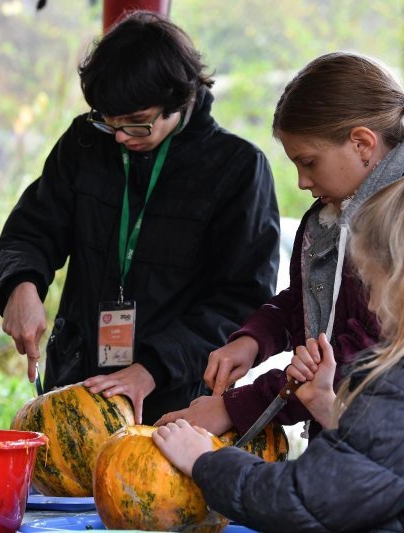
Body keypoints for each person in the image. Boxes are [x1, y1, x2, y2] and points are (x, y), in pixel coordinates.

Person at [0, 10, 280, 424]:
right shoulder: (86, 143)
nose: (122, 137)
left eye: (136, 125)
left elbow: (241, 300)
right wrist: (21, 284)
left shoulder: (238, 169)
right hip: (78, 383)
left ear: (179, 100)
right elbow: (31, 229)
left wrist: (152, 370)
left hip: (178, 400)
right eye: (109, 124)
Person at [156, 52, 404, 438]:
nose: (302, 182)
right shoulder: (334, 211)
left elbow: (362, 355)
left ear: (361, 144)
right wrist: (254, 339)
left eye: (309, 162)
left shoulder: (394, 226)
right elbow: (305, 301)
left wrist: (234, 407)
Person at [153, 177, 404, 531]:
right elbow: (378, 467)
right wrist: (329, 410)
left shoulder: (395, 386)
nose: (374, 303)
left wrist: (205, 462)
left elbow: (303, 500)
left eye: (376, 287)